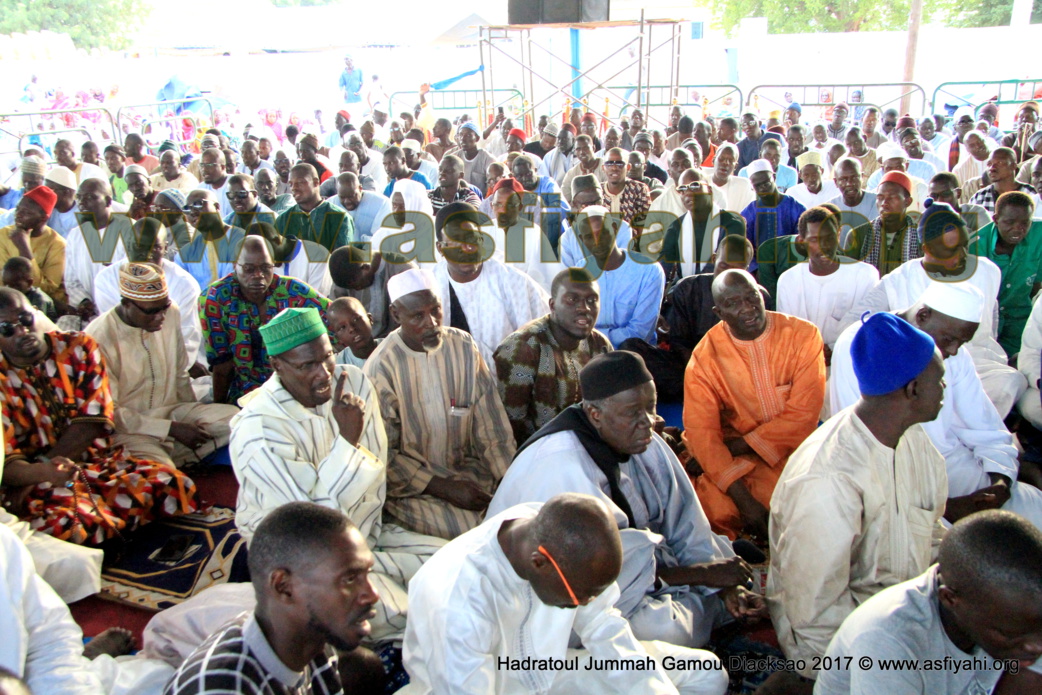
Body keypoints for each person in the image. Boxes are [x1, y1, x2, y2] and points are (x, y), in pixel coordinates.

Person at [488, 352, 766, 649]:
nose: (649, 422)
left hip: (644, 575)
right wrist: (702, 575)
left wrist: (724, 587)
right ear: (595, 414)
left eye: (651, 407)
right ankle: (713, 608)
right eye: (633, 412)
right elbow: (589, 577)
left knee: (703, 589)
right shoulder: (563, 467)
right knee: (661, 631)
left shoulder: (647, 443)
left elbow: (687, 523)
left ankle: (720, 601)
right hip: (558, 596)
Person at [228, 307, 444, 643]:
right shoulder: (258, 431)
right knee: (409, 617)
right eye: (307, 366)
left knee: (458, 566)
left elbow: (374, 483)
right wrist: (346, 441)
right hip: (307, 562)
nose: (324, 373)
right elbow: (308, 528)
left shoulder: (353, 381)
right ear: (277, 367)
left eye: (327, 356)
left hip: (366, 534)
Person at [767, 312, 948, 685]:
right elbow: (814, 613)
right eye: (940, 380)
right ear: (912, 390)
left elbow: (933, 535)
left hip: (908, 612)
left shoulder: (914, 441)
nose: (946, 388)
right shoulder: (828, 477)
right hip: (840, 643)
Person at [400, 493, 730, 695]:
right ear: (539, 563)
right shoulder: (459, 597)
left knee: (707, 674)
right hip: (486, 688)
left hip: (552, 674)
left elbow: (605, 630)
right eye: (581, 596)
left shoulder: (559, 537)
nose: (586, 604)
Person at [0, 287, 198, 544]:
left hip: (101, 461)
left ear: (36, 313)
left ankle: (112, 537)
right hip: (43, 483)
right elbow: (8, 463)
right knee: (68, 525)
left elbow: (92, 422)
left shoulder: (77, 347)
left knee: (173, 484)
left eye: (25, 320)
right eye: (7, 328)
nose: (22, 331)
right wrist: (42, 475)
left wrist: (46, 467)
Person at [361, 268, 515, 540]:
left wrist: (510, 483)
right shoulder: (381, 368)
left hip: (470, 474)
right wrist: (443, 487)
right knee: (467, 533)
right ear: (396, 315)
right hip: (415, 489)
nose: (431, 323)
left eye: (436, 310)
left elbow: (492, 425)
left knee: (511, 517)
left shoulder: (464, 347)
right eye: (418, 316)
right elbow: (382, 455)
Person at [164, 502, 379, 695]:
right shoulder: (221, 689)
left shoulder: (314, 641)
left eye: (366, 574)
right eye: (349, 579)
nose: (372, 594)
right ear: (284, 587)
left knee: (364, 665)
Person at [817, 510, 1042, 694]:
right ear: (951, 599)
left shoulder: (1007, 612)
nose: (1036, 647)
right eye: (1009, 635)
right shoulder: (888, 639)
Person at [845, 200, 1026, 418]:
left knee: (1011, 381)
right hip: (923, 369)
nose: (961, 256)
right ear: (926, 249)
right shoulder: (900, 279)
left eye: (963, 246)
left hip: (979, 365)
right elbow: (854, 320)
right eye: (951, 249)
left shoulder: (988, 271)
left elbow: (991, 317)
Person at [683, 269, 826, 540]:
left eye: (751, 297)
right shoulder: (704, 358)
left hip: (795, 448)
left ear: (762, 294)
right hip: (736, 460)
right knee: (715, 508)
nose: (747, 308)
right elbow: (702, 432)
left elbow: (802, 417)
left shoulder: (804, 336)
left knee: (810, 496)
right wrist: (744, 502)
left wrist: (728, 447)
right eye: (733, 303)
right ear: (719, 313)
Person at [85, 262, 237, 468]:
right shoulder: (97, 338)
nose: (162, 316)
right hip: (131, 429)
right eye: (152, 311)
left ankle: (176, 455)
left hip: (174, 411)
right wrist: (170, 429)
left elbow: (179, 373)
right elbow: (110, 414)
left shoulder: (170, 312)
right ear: (126, 303)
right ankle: (169, 458)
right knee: (163, 476)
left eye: (164, 307)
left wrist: (192, 417)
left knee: (244, 420)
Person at [200, 237, 329, 405]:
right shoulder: (215, 298)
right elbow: (222, 365)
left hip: (294, 387)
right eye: (249, 269)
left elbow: (335, 317)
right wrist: (219, 407)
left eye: (265, 268)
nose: (258, 276)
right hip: (244, 393)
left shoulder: (294, 291)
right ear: (234, 265)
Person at [493, 268, 612, 445]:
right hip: (536, 454)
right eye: (572, 299)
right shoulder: (523, 348)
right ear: (552, 304)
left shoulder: (599, 345)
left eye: (592, 300)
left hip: (589, 446)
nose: (584, 308)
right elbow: (508, 429)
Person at [431, 202, 549, 367]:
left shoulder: (514, 282)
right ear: (440, 249)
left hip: (509, 385)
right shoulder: (430, 288)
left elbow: (547, 334)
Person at [777, 206, 878, 353]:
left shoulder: (865, 276)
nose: (824, 246)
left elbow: (867, 329)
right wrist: (812, 352)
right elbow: (786, 332)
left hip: (850, 360)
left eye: (830, 237)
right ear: (801, 242)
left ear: (838, 235)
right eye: (814, 240)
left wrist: (834, 349)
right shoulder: (788, 281)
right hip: (802, 360)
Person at [573, 205, 664, 348]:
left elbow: (640, 334)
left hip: (635, 355)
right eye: (589, 237)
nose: (598, 242)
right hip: (589, 355)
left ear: (614, 229)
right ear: (582, 239)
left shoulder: (649, 271)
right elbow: (575, 325)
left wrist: (592, 338)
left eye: (602, 233)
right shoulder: (579, 270)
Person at [970, 192, 1041, 356]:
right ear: (995, 219)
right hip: (985, 327)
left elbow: (1037, 286)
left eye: (1025, 223)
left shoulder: (1039, 235)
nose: (1018, 228)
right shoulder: (975, 245)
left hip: (1022, 324)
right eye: (1009, 222)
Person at [328, 244, 415, 339]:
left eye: (357, 286)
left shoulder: (402, 270)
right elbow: (334, 313)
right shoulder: (345, 277)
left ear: (366, 268)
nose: (356, 290)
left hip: (400, 340)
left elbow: (415, 315)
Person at [844, 171, 922, 277]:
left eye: (892, 197)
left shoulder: (921, 236)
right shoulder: (857, 235)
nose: (884, 203)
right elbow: (849, 277)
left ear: (908, 201)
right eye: (880, 197)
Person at [0, 184, 65, 305]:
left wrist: (24, 248)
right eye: (18, 209)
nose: (18, 214)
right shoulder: (3, 234)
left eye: (26, 213)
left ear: (43, 218)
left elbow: (48, 290)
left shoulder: (57, 245)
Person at [274, 163, 353, 253]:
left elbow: (341, 260)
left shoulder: (340, 218)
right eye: (291, 184)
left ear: (316, 182)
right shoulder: (282, 220)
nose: (294, 188)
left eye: (300, 182)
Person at [740, 159, 806, 260]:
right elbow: (745, 247)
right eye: (757, 186)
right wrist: (756, 269)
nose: (762, 189)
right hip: (759, 269)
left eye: (766, 183)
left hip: (790, 265)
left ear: (774, 177)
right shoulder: (749, 213)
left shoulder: (795, 208)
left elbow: (803, 243)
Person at [971, 147, 1038, 214]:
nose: (992, 168)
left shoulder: (1031, 193)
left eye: (999, 163)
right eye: (989, 164)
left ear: (1013, 166)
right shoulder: (979, 197)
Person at [600, 147, 651, 224]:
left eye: (620, 164)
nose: (614, 168)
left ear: (628, 167)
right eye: (609, 164)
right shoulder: (598, 191)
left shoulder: (639, 190)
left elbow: (644, 226)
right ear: (603, 168)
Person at [327, 296, 381, 367]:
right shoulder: (338, 366)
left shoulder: (393, 346)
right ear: (338, 338)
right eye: (343, 327)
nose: (352, 329)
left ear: (370, 319)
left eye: (356, 319)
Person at [707, 143, 755, 213]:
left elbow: (749, 215)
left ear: (735, 166)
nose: (725, 163)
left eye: (730, 160)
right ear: (713, 160)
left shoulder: (744, 186)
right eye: (721, 159)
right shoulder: (703, 183)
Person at [195, 148, 233, 215]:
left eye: (209, 165)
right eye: (202, 165)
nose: (204, 169)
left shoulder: (235, 184)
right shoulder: (201, 189)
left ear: (223, 167)